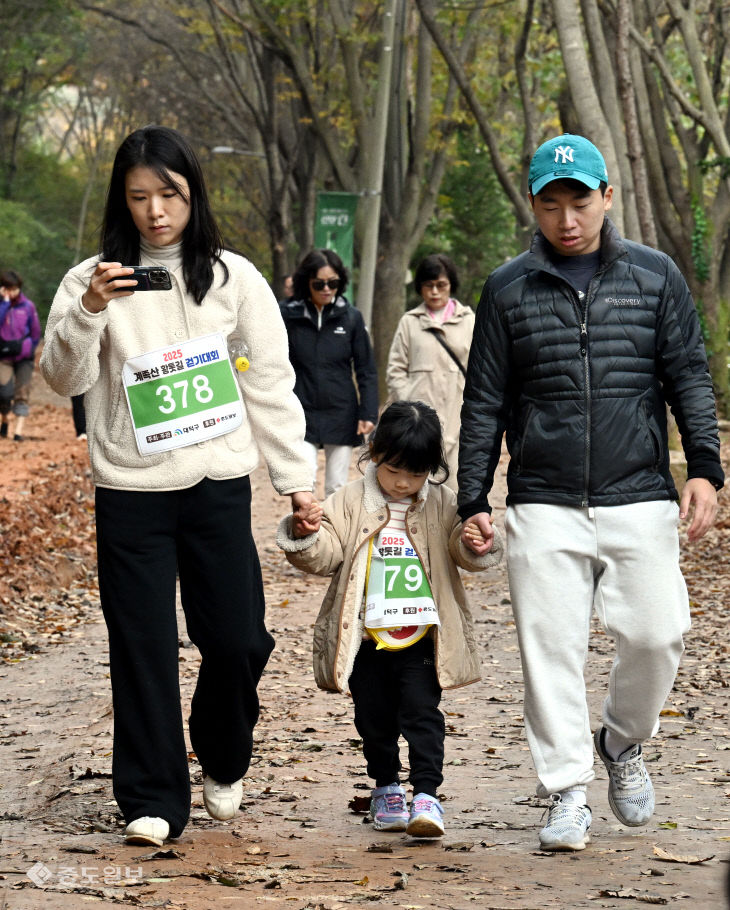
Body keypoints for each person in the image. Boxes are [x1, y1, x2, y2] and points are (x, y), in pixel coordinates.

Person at [40, 125, 318, 848]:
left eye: (170, 194)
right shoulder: (88, 279)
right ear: (120, 201)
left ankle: (223, 753)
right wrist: (90, 310)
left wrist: (297, 479)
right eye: (139, 197)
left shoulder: (234, 278)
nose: (156, 211)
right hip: (129, 489)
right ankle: (151, 797)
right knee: (143, 645)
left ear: (193, 194)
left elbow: (272, 382)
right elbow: (63, 379)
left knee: (238, 642)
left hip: (217, 484)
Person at [457, 133, 725, 852]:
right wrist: (472, 498)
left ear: (607, 197)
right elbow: (483, 399)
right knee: (550, 648)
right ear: (535, 207)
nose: (567, 218)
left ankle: (621, 741)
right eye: (552, 204)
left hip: (638, 491)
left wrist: (705, 466)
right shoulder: (507, 287)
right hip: (542, 499)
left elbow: (689, 377)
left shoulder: (656, 276)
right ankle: (567, 791)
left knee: (659, 632)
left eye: (581, 200)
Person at [276, 400, 503, 837]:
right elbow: (327, 557)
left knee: (422, 713)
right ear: (374, 454)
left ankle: (427, 796)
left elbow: (461, 547)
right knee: (374, 717)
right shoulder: (348, 501)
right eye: (393, 470)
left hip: (421, 635)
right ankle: (386, 787)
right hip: (365, 635)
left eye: (415, 474)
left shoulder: (443, 503)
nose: (403, 483)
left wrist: (475, 542)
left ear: (432, 469)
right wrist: (305, 536)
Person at [280, 249, 378, 497]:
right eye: (319, 283)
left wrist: (368, 411)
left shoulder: (352, 318)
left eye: (333, 283)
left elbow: (366, 369)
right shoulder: (287, 315)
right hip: (301, 411)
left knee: (337, 488)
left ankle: (333, 535)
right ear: (306, 282)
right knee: (304, 483)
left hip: (341, 412)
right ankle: (306, 535)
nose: (326, 289)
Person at [386, 254, 474, 490]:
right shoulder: (409, 322)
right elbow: (395, 370)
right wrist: (408, 402)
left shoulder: (470, 322)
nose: (435, 291)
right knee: (413, 483)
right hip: (417, 424)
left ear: (450, 286)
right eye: (428, 285)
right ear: (420, 287)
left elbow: (481, 371)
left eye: (441, 285)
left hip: (459, 418)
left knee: (453, 489)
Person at [0, 269, 41, 442]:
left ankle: (18, 432)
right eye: (8, 288)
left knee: (22, 393)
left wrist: (29, 348)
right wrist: (4, 303)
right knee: (4, 393)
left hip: (24, 357)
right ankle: (5, 420)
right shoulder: (2, 304)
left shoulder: (28, 306)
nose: (12, 292)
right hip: (3, 356)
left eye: (14, 288)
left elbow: (36, 332)